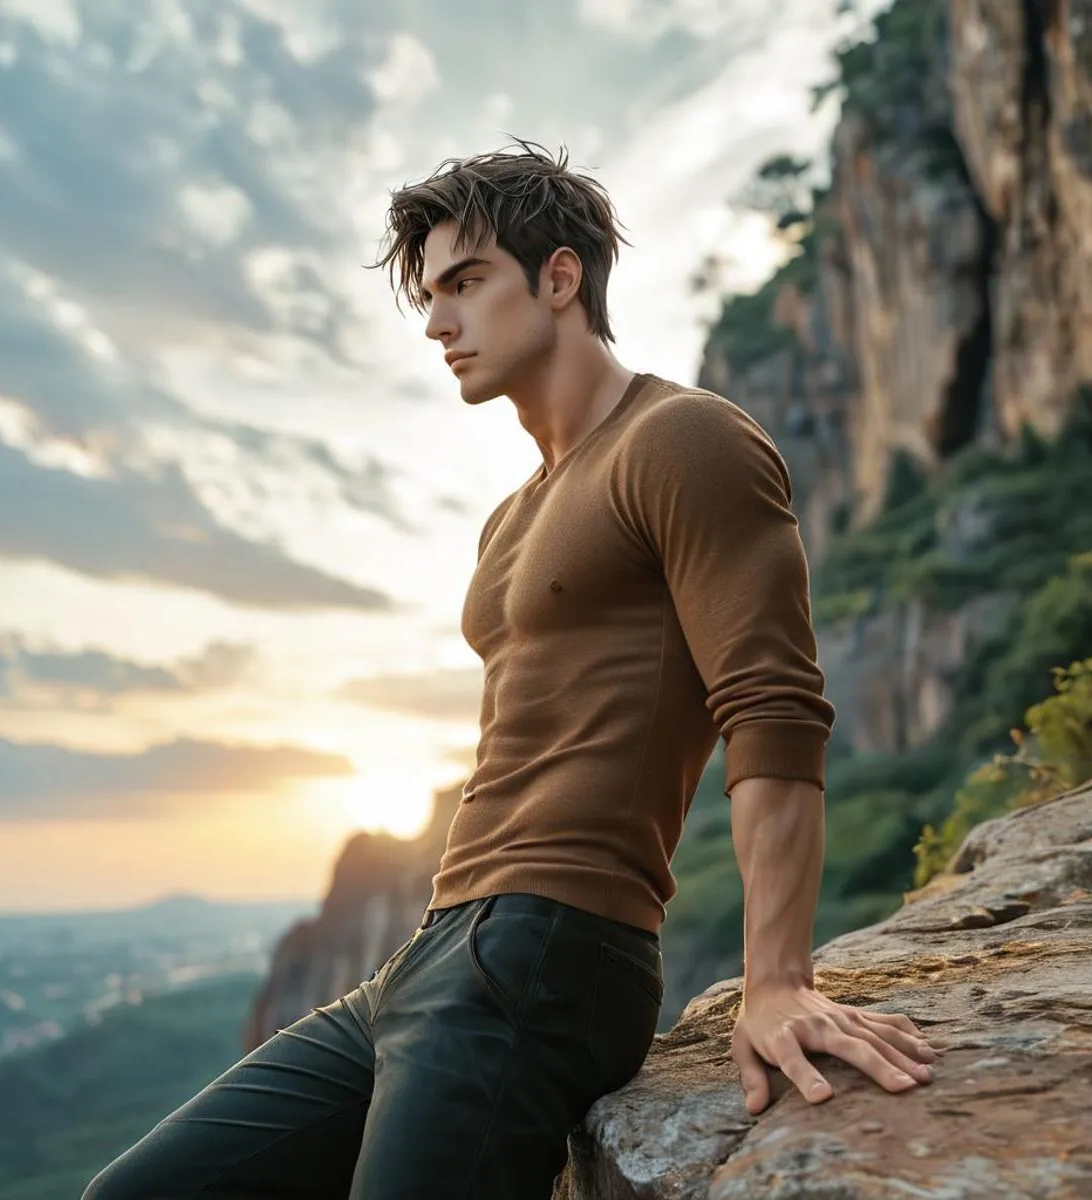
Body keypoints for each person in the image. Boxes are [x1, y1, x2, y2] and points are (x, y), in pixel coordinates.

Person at [82, 137, 939, 1200]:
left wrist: (775, 982)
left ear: (562, 278)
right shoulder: (513, 515)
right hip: (433, 952)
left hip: (549, 948)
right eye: (430, 296)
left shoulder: (685, 440)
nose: (438, 324)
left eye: (466, 284)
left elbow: (772, 708)